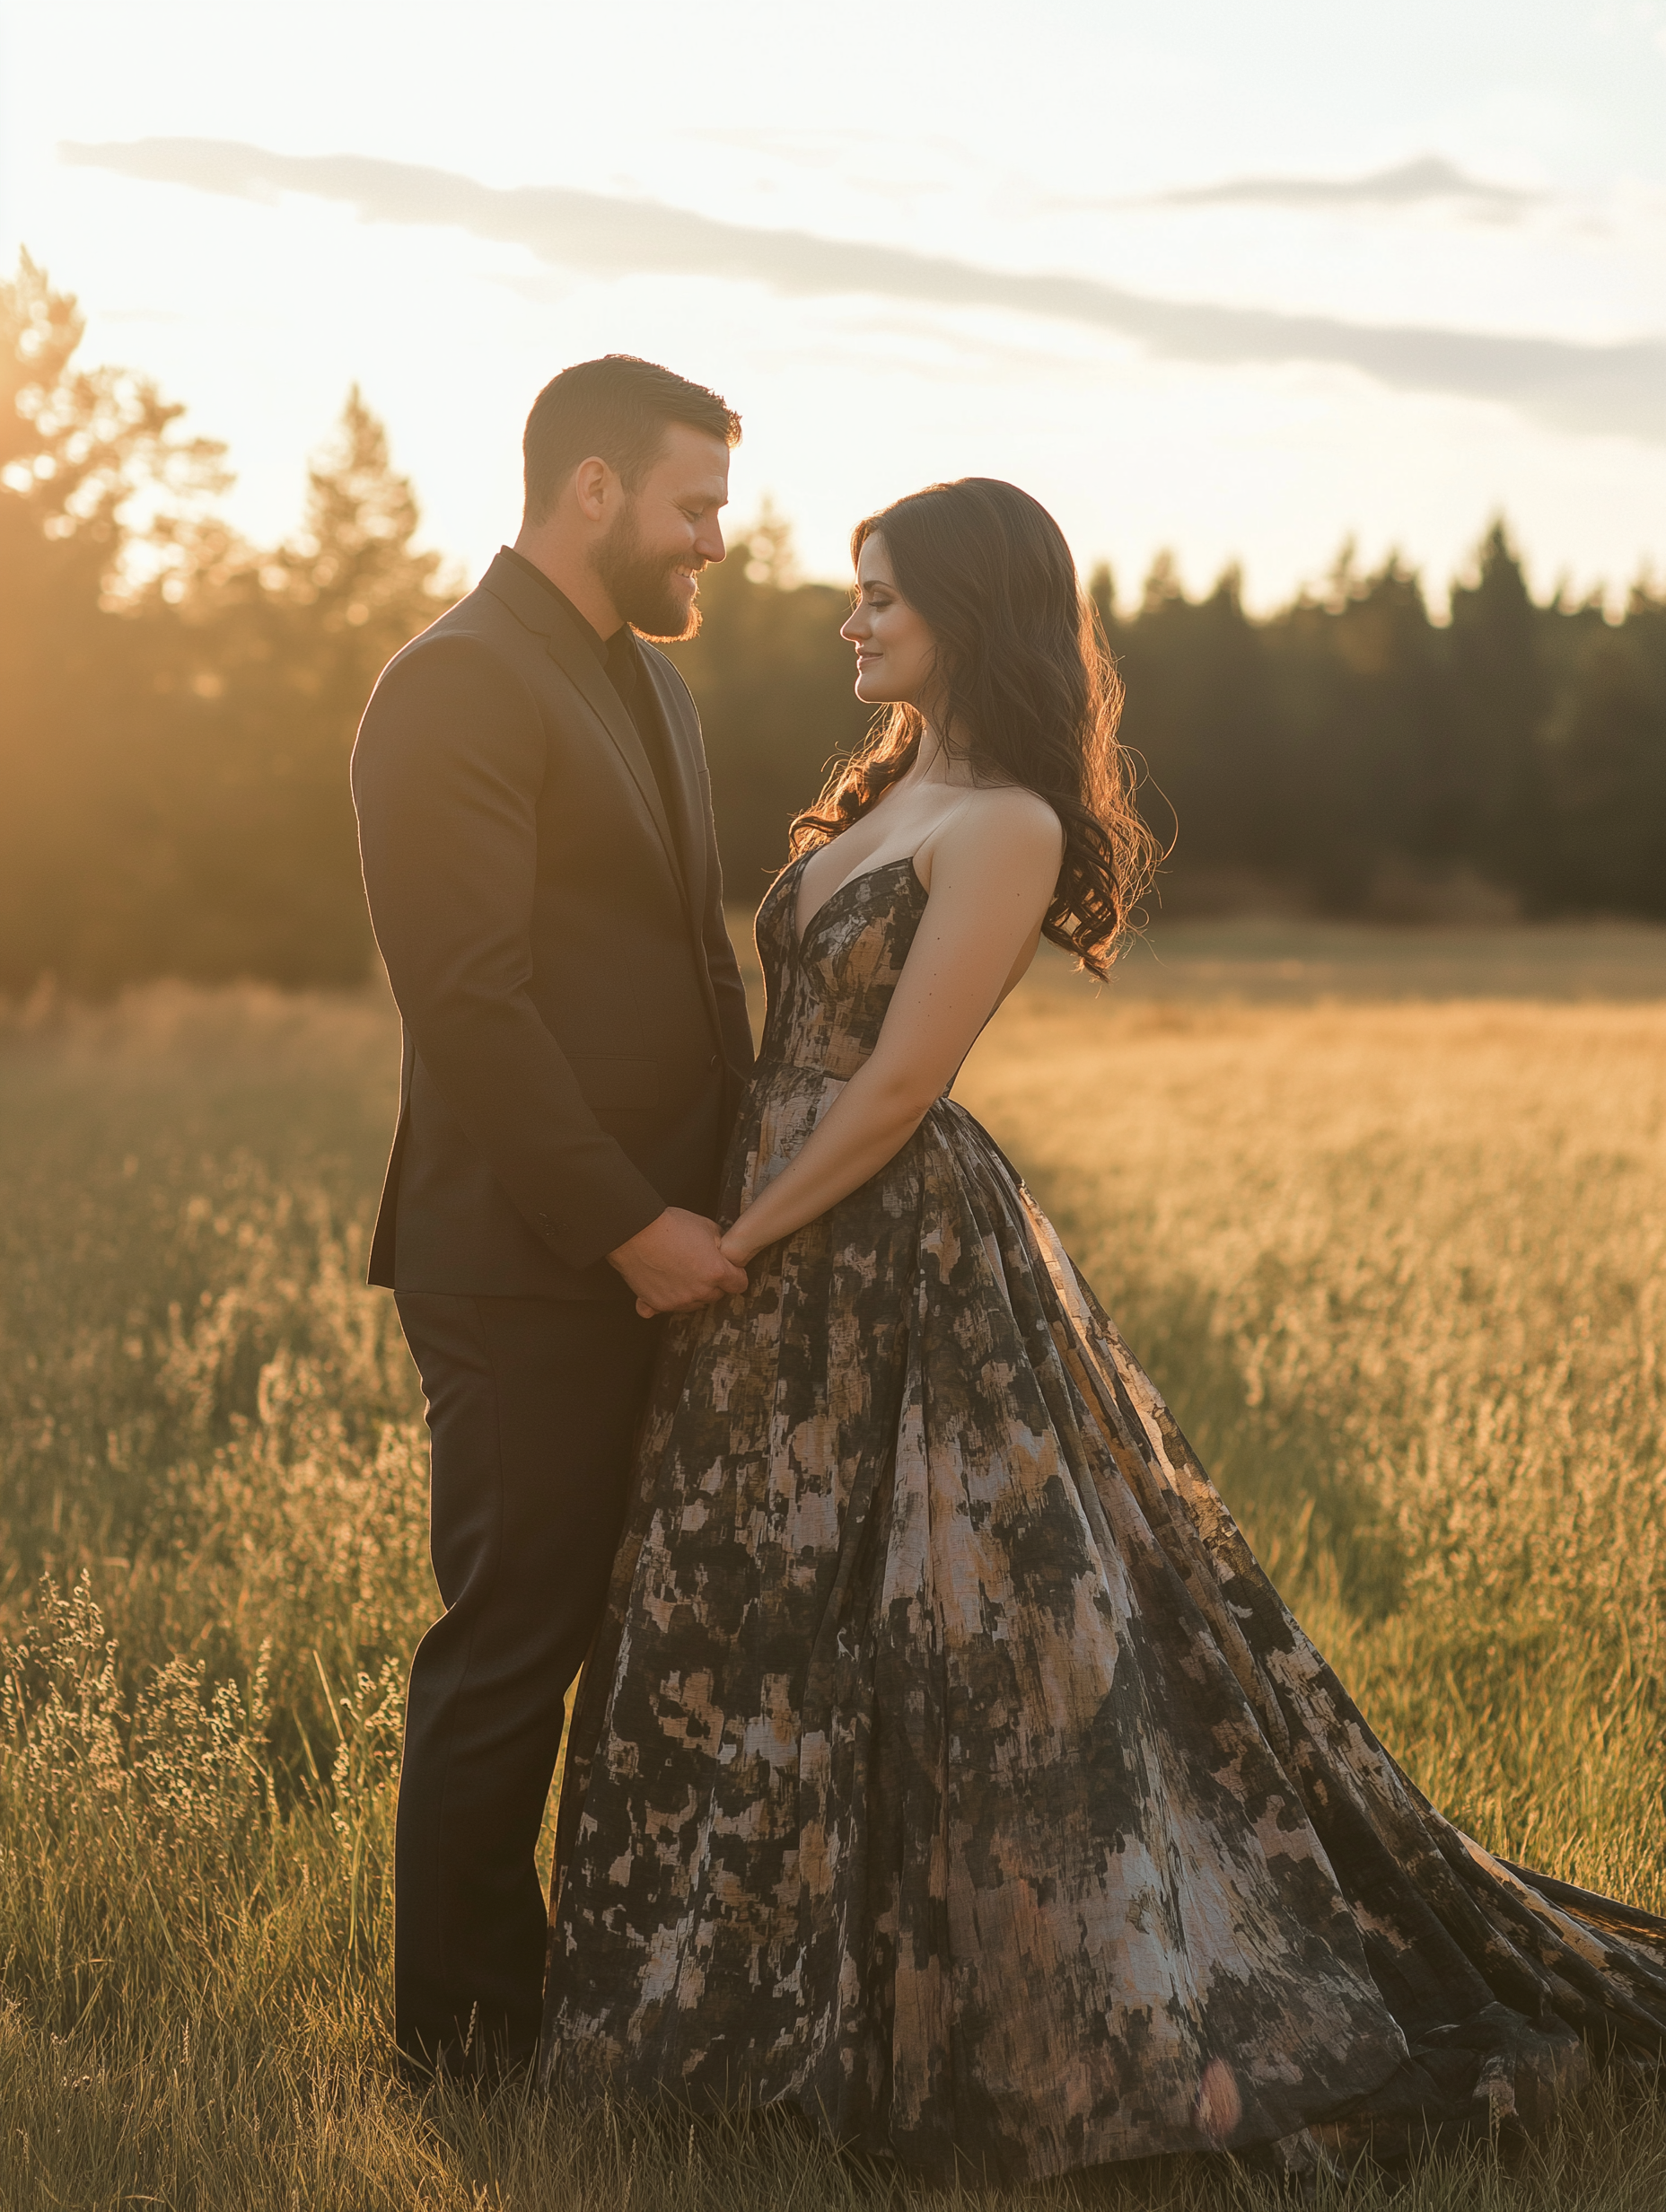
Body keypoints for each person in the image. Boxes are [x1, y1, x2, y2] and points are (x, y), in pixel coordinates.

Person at [539, 477, 1666, 2183]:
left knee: (959, 1649)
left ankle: (1054, 2033)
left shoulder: (1003, 822)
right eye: (855, 593)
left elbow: (906, 1081)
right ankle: (757, 2019)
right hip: (768, 1269)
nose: (851, 622)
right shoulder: (890, 784)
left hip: (875, 1252)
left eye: (885, 600)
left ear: (970, 618)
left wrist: (733, 1241)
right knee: (763, 1622)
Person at [351, 356, 756, 2085]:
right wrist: (624, 1228)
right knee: (515, 1638)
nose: (714, 544)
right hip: (527, 1263)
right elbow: (474, 1004)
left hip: (664, 1252)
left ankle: (597, 1993)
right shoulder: (449, 686)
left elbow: (681, 967)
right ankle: (458, 2046)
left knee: (624, 1628)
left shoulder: (647, 691)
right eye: (695, 506)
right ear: (591, 491)